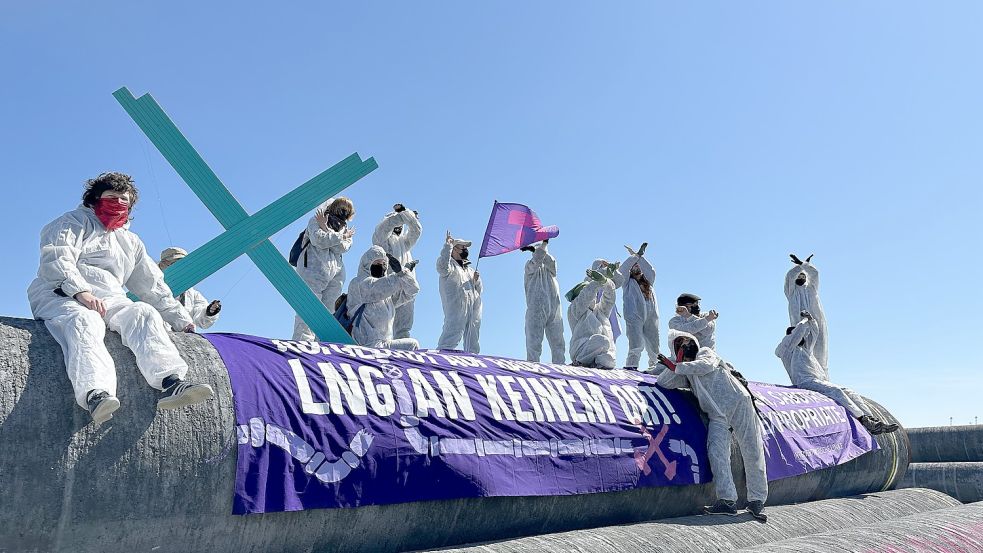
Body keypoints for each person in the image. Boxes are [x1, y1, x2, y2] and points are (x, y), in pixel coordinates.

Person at [27, 172, 214, 426]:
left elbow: (152, 286)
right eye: (111, 197)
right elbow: (57, 257)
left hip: (109, 297)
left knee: (142, 313)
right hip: (60, 293)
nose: (117, 203)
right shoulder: (72, 223)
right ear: (95, 199)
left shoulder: (130, 242)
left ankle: (172, 382)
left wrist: (181, 320)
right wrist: (80, 291)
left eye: (123, 200)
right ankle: (95, 393)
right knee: (85, 321)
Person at [657, 330, 768, 522]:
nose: (684, 345)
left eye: (686, 342)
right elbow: (663, 382)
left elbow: (705, 366)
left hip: (737, 402)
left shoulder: (706, 353)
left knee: (751, 449)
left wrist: (678, 366)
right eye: (679, 344)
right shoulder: (686, 372)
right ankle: (727, 500)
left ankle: (757, 499)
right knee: (716, 452)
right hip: (717, 415)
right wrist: (678, 363)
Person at [777, 311, 899, 435]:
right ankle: (863, 419)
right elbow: (798, 333)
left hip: (817, 380)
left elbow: (814, 333)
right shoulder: (786, 349)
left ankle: (873, 420)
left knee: (849, 392)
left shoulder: (804, 349)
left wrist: (812, 320)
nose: (803, 338)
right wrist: (804, 320)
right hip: (804, 382)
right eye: (799, 335)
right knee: (836, 392)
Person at [293, 197, 355, 341]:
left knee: (329, 313)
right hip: (313, 269)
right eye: (341, 207)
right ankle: (301, 345)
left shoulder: (345, 229)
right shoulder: (316, 220)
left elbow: (343, 247)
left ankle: (322, 347)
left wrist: (328, 231)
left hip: (336, 274)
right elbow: (318, 240)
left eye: (347, 209)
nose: (343, 212)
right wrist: (340, 236)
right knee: (308, 309)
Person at [347, 245, 421, 350]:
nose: (381, 267)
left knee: (412, 345)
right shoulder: (359, 283)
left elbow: (412, 291)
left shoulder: (387, 296)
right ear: (367, 265)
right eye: (377, 263)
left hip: (384, 344)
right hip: (365, 344)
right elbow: (380, 288)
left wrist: (405, 275)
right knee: (412, 345)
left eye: (384, 264)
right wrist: (401, 273)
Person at [371, 204, 422, 339]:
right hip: (388, 287)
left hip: (406, 286)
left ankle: (403, 355)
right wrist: (402, 215)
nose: (400, 225)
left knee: (404, 329)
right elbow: (386, 226)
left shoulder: (405, 242)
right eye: (397, 221)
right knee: (383, 325)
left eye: (402, 223)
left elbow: (416, 230)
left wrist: (407, 214)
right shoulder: (381, 239)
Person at [567, 260, 621, 369]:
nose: (593, 296)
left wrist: (606, 282)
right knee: (602, 340)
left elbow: (609, 299)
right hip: (582, 349)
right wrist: (596, 283)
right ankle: (579, 362)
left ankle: (595, 365)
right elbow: (584, 298)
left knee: (609, 359)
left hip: (601, 351)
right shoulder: (575, 310)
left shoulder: (600, 311)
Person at [436, 231, 482, 353]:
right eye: (462, 247)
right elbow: (442, 268)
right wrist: (447, 246)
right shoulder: (449, 266)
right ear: (454, 249)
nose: (465, 249)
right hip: (456, 308)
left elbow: (479, 291)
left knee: (473, 336)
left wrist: (476, 281)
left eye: (465, 247)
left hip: (472, 309)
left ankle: (472, 361)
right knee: (452, 333)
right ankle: (442, 359)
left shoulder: (470, 270)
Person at [521, 240, 565, 364]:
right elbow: (537, 259)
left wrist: (541, 246)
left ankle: (560, 368)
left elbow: (551, 263)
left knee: (558, 342)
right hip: (536, 310)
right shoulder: (530, 267)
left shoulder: (550, 270)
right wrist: (541, 246)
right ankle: (533, 369)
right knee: (534, 342)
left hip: (554, 310)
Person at [158, 247, 221, 331]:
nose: (178, 268)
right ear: (163, 267)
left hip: (184, 340)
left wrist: (209, 312)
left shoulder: (193, 294)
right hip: (158, 336)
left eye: (181, 265)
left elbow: (202, 320)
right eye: (173, 264)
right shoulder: (154, 287)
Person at [619, 242, 660, 370]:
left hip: (651, 317)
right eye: (633, 266)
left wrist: (639, 257)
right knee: (635, 342)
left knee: (654, 344)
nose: (636, 267)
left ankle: (655, 367)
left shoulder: (649, 282)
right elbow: (621, 271)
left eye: (638, 265)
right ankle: (632, 365)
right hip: (634, 316)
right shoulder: (627, 283)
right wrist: (635, 256)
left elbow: (651, 270)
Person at [785, 254, 828, 370]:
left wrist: (804, 264)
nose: (801, 278)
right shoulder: (791, 292)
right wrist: (800, 265)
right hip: (801, 328)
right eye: (798, 276)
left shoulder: (811, 288)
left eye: (803, 276)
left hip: (816, 325)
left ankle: (820, 377)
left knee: (819, 353)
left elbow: (815, 273)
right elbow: (790, 275)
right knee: (803, 353)